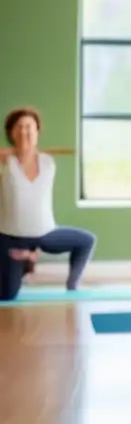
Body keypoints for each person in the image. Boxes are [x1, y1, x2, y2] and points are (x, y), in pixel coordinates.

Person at [0, 107, 96, 301]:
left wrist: (21, 152)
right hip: (11, 237)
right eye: (19, 127)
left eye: (29, 127)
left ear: (37, 132)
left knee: (86, 240)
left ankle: (72, 285)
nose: (25, 131)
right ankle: (25, 260)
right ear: (11, 133)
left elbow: (29, 154)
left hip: (45, 233)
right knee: (7, 295)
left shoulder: (48, 162)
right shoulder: (4, 163)